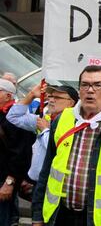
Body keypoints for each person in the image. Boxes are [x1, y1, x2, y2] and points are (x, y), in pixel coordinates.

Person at [31, 65, 101, 225]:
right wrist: (37, 216)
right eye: (85, 85)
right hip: (60, 216)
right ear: (79, 90)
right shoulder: (63, 119)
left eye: (98, 85)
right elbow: (47, 170)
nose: (90, 90)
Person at [6, 84, 78, 194]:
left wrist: (45, 131)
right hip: (38, 183)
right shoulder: (45, 119)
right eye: (51, 96)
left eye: (57, 97)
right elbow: (13, 117)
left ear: (71, 103)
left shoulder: (74, 124)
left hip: (55, 186)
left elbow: (58, 149)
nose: (51, 100)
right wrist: (31, 95)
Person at [0, 79, 34, 226]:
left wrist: (10, 181)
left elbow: (21, 154)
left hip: (4, 180)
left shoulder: (17, 119)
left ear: (8, 96)